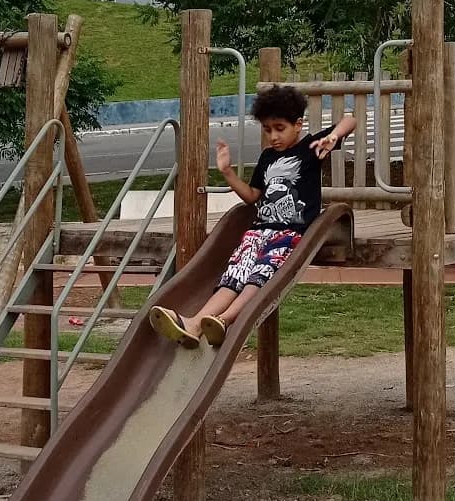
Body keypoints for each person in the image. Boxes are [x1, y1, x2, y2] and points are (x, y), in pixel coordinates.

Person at [150, 85, 356, 349]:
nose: (273, 136)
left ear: (298, 124)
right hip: (258, 231)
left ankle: (224, 320)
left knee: (259, 276)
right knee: (234, 276)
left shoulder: (310, 149)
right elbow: (252, 196)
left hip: (289, 233)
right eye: (267, 129)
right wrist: (227, 173)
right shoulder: (268, 157)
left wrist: (334, 136)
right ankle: (195, 323)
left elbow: (351, 120)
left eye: (280, 128)